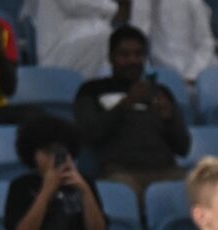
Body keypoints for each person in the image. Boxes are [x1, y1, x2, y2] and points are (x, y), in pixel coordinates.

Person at [73, 26, 191, 206]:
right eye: (124, 55)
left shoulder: (160, 93)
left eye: (138, 55)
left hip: (166, 171)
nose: (132, 61)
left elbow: (183, 147)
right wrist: (126, 104)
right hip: (120, 173)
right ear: (111, 57)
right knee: (120, 194)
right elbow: (88, 133)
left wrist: (170, 118)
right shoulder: (92, 90)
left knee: (196, 190)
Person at [5, 115, 107, 230]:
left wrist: (85, 190)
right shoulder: (20, 187)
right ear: (33, 153)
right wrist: (47, 190)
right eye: (46, 151)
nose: (53, 158)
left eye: (59, 151)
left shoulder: (84, 183)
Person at [22, 0, 127, 79]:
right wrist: (112, 7)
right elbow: (74, 4)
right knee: (103, 35)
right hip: (57, 56)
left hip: (77, 49)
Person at [129, 0, 218, 82]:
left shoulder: (193, 2)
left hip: (201, 73)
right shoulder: (142, 3)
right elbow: (137, 38)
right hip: (162, 75)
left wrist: (191, 75)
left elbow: (206, 43)